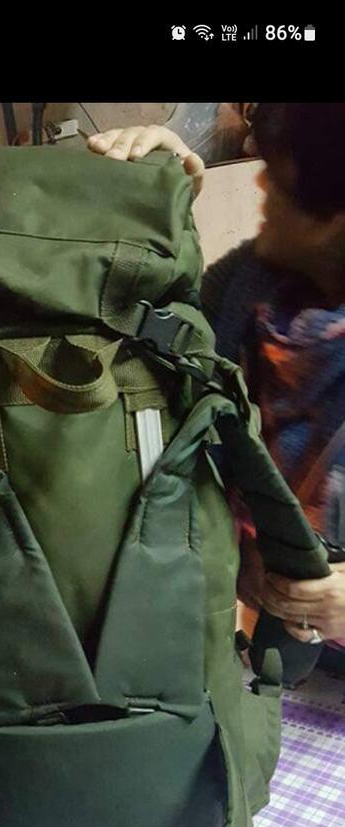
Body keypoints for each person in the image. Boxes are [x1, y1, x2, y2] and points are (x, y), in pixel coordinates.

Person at [87, 108, 345, 651]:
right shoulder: (253, 286)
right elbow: (161, 334)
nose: (260, 185)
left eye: (279, 180)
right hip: (272, 625)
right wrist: (163, 191)